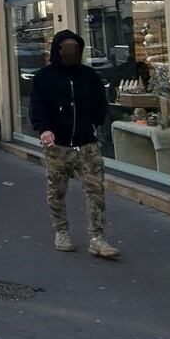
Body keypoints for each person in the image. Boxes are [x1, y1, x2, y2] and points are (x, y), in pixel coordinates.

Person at [29, 30, 119, 259]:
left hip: (86, 144)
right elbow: (37, 106)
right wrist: (44, 129)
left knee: (96, 190)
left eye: (75, 47)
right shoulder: (44, 77)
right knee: (57, 191)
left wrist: (95, 124)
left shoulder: (89, 76)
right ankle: (61, 232)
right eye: (66, 47)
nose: (71, 51)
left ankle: (97, 238)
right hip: (57, 146)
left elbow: (101, 103)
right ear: (58, 50)